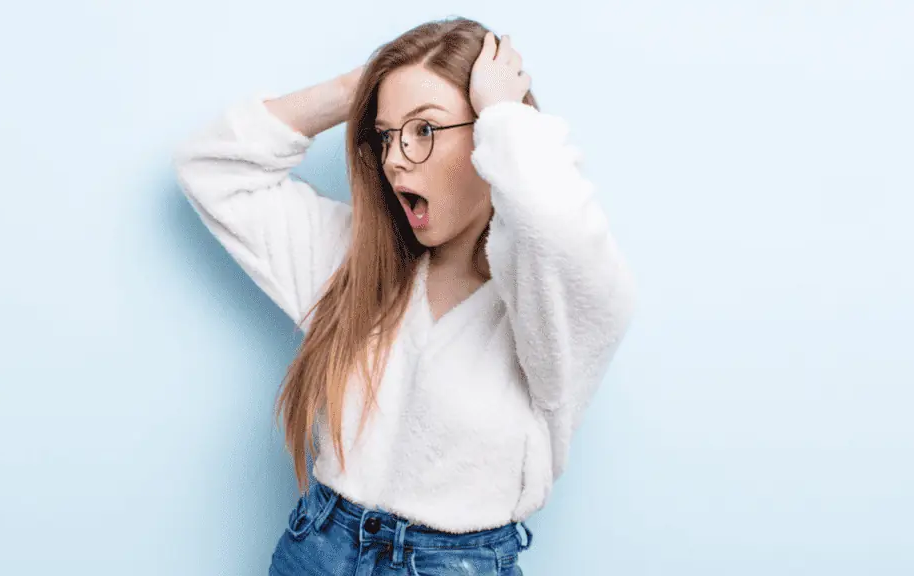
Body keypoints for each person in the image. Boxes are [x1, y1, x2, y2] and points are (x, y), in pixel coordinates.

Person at [173, 15, 635, 576]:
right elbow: (211, 168)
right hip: (316, 545)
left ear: (488, 140)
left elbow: (552, 221)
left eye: (424, 130)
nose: (394, 158)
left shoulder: (553, 304)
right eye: (387, 134)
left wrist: (505, 114)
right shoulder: (351, 261)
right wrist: (355, 91)